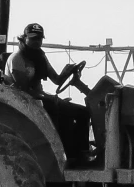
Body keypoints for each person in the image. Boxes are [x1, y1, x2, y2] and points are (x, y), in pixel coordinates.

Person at [5, 23, 91, 159]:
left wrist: (67, 72)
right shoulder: (17, 58)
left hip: (40, 97)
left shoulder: (40, 57)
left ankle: (83, 153)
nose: (37, 42)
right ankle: (67, 154)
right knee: (58, 110)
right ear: (24, 38)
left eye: (39, 39)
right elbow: (24, 90)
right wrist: (50, 98)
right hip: (24, 100)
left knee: (83, 112)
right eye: (33, 38)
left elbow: (56, 80)